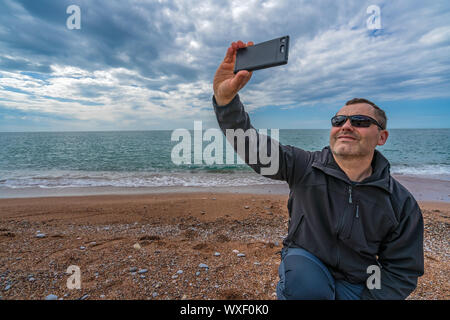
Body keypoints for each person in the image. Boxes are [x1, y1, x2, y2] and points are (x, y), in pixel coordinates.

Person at [212, 40, 424, 300]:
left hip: (358, 281)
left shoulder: (400, 202)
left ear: (382, 137)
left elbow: (401, 271)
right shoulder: (304, 166)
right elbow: (253, 147)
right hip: (306, 266)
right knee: (304, 286)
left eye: (360, 121)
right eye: (339, 120)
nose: (346, 125)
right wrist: (226, 102)